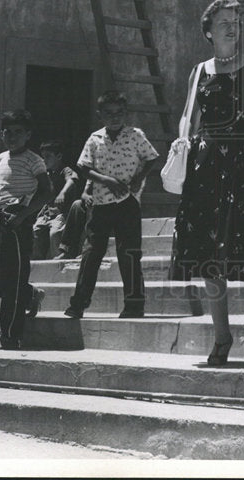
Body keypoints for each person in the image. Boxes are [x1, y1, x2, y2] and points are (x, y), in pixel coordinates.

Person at [169, 0, 244, 367]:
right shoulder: (199, 71)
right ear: (209, 31)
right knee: (210, 258)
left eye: (236, 21)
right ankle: (222, 338)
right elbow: (188, 117)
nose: (232, 27)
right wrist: (183, 147)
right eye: (224, 22)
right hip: (207, 166)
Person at [63, 91, 159, 319]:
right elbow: (84, 167)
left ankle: (134, 305)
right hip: (101, 204)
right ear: (100, 115)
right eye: (109, 114)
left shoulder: (135, 135)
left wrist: (139, 178)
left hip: (128, 203)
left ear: (125, 113)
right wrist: (106, 180)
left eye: (119, 113)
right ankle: (78, 304)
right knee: (91, 253)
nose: (114, 118)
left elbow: (152, 158)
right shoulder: (95, 139)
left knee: (130, 253)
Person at [0, 109, 51, 350]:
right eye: (7, 132)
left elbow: (45, 193)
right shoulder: (1, 158)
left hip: (18, 223)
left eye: (18, 132)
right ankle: (30, 294)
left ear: (28, 134)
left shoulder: (35, 160)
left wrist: (22, 216)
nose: (12, 137)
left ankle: (10, 337)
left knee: (12, 282)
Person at [31, 142, 81, 259]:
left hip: (61, 215)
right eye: (42, 157)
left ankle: (57, 263)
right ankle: (38, 262)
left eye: (48, 156)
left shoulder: (65, 170)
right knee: (35, 232)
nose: (44, 160)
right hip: (47, 215)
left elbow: (73, 179)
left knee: (55, 234)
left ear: (58, 156)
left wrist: (63, 193)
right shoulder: (47, 174)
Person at [55, 183, 92, 259]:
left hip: (108, 204)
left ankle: (87, 251)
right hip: (95, 201)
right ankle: (67, 250)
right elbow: (84, 194)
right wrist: (87, 197)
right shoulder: (93, 176)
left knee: (93, 210)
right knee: (77, 205)